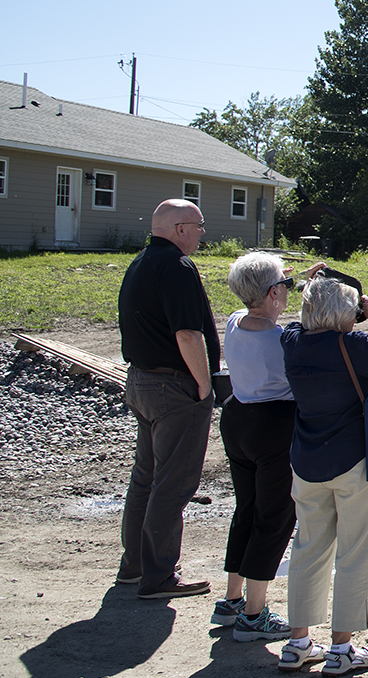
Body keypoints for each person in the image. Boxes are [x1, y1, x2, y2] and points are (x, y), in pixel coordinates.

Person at [279, 278, 368, 675]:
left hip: (306, 460)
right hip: (354, 460)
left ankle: (297, 642)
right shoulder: (351, 346)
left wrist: (314, 286)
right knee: (355, 552)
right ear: (346, 313)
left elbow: (294, 323)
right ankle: (341, 649)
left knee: (307, 549)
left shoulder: (292, 342)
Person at [214, 252, 326, 641]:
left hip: (238, 419)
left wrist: (284, 283)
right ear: (275, 292)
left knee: (246, 509)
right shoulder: (283, 340)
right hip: (274, 426)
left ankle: (231, 599)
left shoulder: (234, 322)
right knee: (275, 515)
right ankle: (254, 613)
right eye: (284, 285)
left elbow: (263, 306)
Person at [116, 199, 220, 599]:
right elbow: (187, 335)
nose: (202, 232)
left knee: (146, 477)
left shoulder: (140, 261)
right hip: (173, 387)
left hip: (141, 382)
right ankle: (159, 576)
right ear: (179, 228)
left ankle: (136, 566)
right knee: (173, 482)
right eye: (198, 225)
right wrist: (204, 386)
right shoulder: (177, 267)